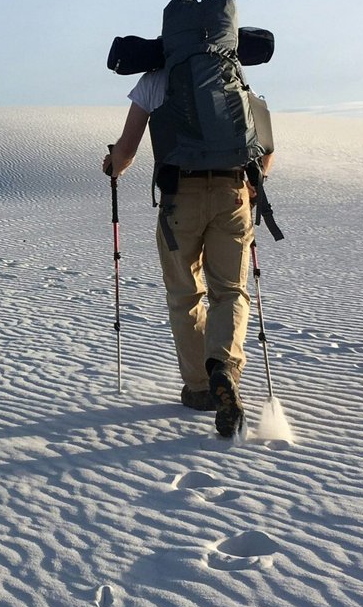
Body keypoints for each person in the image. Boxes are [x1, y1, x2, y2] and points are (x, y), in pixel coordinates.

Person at [103, 66, 272, 437]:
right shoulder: (232, 76)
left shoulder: (153, 82)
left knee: (184, 294)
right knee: (230, 290)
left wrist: (113, 165)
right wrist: (253, 189)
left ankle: (199, 388)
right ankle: (224, 367)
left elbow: (127, 151)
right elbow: (266, 147)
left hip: (180, 199)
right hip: (233, 193)